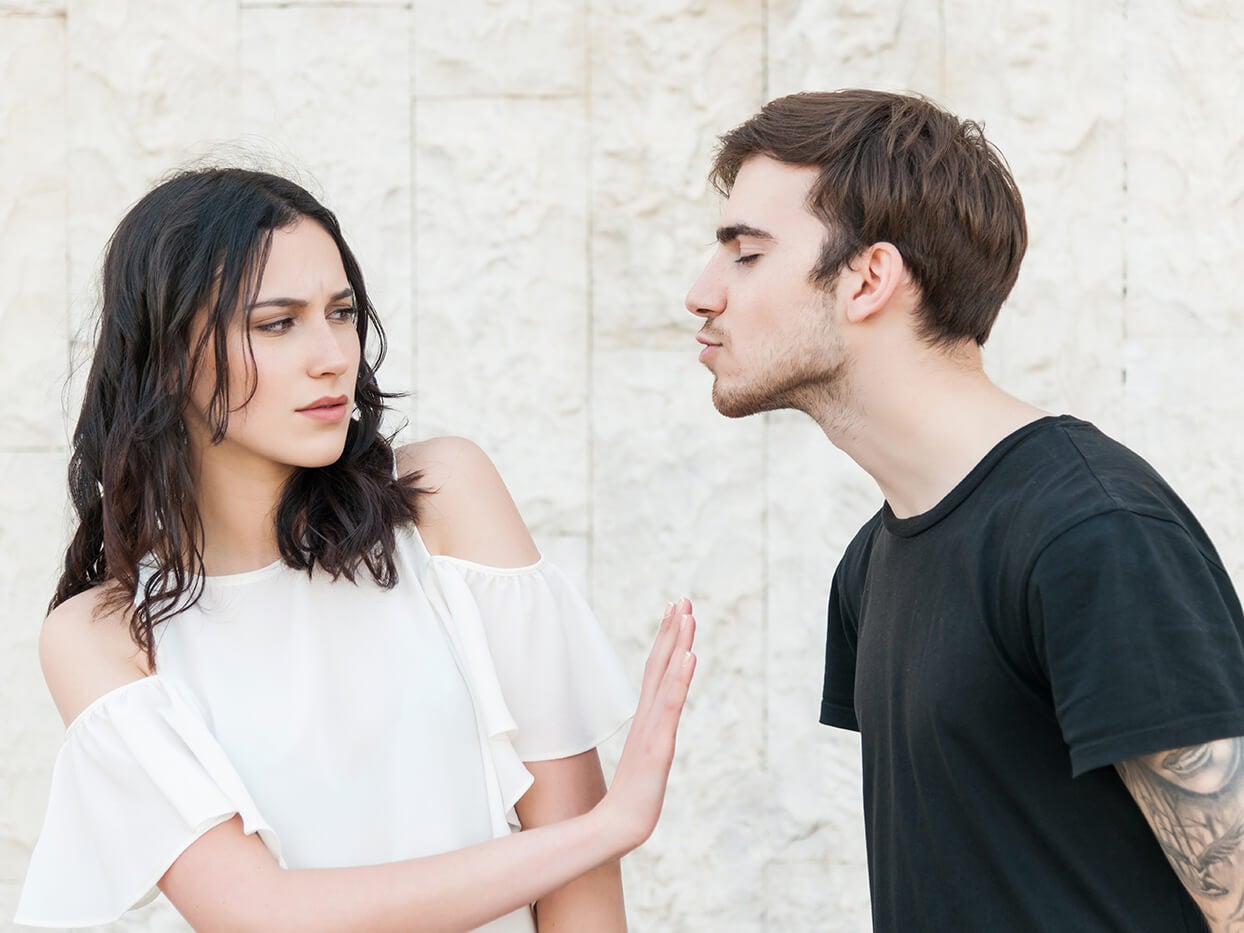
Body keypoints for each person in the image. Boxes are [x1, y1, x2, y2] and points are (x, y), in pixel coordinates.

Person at [16, 167, 697, 932]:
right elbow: (263, 913)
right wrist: (604, 828)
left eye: (341, 312)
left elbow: (582, 897)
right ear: (169, 354)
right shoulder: (104, 633)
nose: (333, 355)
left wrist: (587, 840)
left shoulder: (444, 499)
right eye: (278, 323)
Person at [685, 88, 1244, 932]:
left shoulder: (1092, 535)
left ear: (869, 278)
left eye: (745, 254)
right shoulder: (870, 569)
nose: (702, 292)